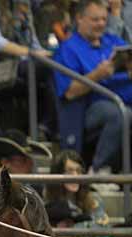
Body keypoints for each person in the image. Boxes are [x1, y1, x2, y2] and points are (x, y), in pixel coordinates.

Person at [54, 0, 132, 173]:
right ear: (79, 19)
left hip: (123, 98)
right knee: (120, 113)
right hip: (91, 108)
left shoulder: (113, 41)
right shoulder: (68, 48)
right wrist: (98, 74)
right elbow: (69, 92)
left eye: (104, 19)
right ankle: (98, 169)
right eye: (95, 20)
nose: (101, 24)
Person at [44, 150, 108, 225]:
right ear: (58, 174)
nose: (75, 176)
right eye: (69, 171)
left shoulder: (94, 200)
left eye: (78, 171)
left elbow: (102, 227)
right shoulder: (48, 205)